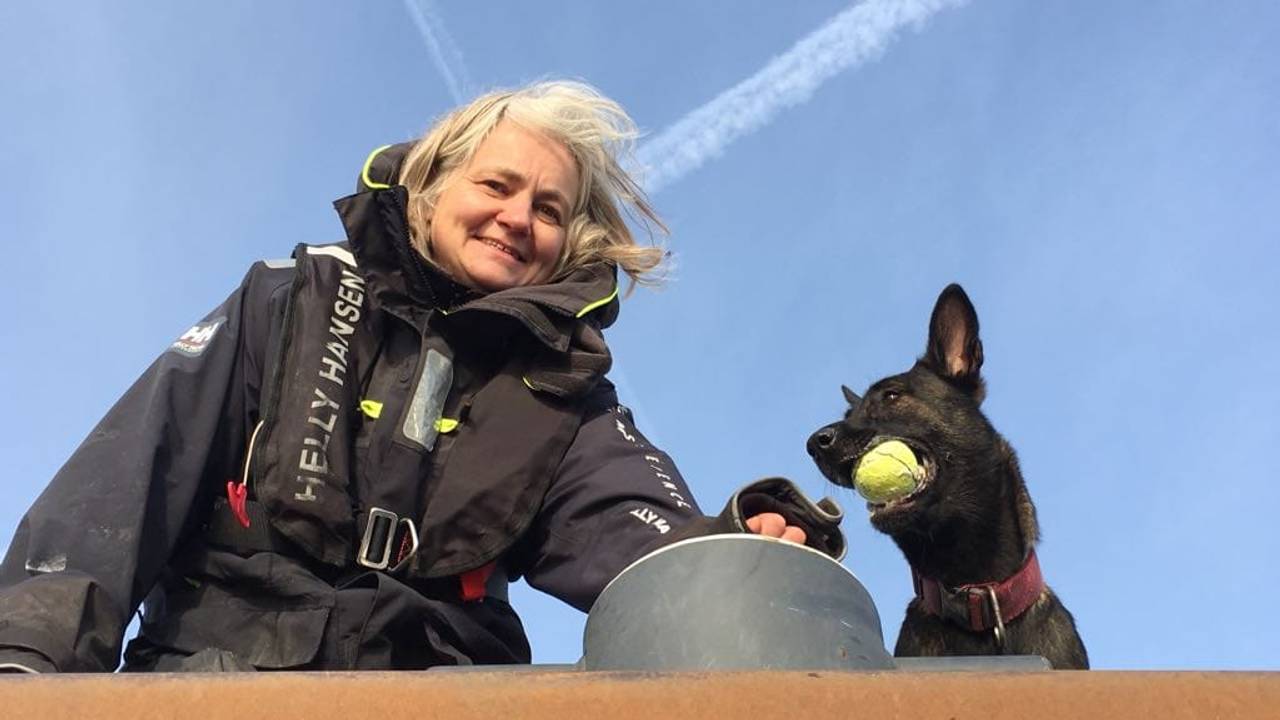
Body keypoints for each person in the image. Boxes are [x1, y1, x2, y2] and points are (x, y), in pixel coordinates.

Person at [0, 81, 844, 673]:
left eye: (549, 210)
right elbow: (134, 474)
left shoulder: (566, 389)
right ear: (431, 188)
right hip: (219, 675)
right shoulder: (288, 299)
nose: (518, 218)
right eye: (497, 185)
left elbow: (629, 527)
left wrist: (738, 546)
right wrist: (27, 657)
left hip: (442, 688)